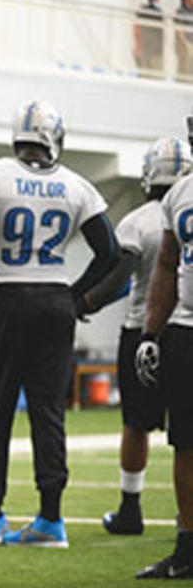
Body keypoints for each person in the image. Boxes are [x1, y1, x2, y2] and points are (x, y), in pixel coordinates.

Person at [0, 101, 119, 548]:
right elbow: (108, 253)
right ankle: (51, 519)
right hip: (53, 299)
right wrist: (73, 296)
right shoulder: (77, 186)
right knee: (48, 414)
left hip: (7, 297)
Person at [77, 138, 192, 535]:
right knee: (187, 437)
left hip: (143, 330)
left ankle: (130, 507)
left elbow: (121, 275)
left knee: (136, 424)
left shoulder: (139, 220)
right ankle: (185, 519)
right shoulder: (182, 206)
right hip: (182, 330)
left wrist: (84, 302)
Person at [132, 118, 193, 580]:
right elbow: (167, 266)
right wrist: (151, 334)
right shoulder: (178, 195)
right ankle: (187, 546)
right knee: (185, 443)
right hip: (185, 330)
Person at [134, 0, 164, 76]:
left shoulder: (145, 9)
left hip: (150, 44)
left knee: (148, 69)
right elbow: (137, 26)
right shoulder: (154, 11)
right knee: (148, 69)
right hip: (149, 44)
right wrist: (137, 44)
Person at [176, 0, 193, 80]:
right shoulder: (180, 11)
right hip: (185, 45)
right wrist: (185, 43)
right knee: (183, 68)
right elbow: (178, 29)